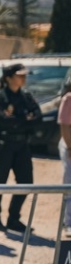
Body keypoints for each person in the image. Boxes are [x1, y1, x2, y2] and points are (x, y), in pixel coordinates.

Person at [0, 63, 42, 233]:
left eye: (25, 75)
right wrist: (25, 119)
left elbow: (38, 116)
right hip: (3, 145)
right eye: (20, 75)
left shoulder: (26, 96)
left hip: (21, 145)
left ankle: (13, 218)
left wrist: (19, 120)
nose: (23, 78)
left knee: (26, 182)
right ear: (9, 78)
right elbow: (4, 120)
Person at [59, 77, 71, 237]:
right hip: (70, 143)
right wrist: (70, 146)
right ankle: (68, 222)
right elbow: (64, 125)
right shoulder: (68, 100)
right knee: (69, 183)